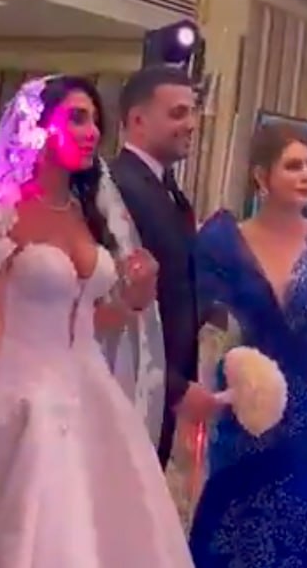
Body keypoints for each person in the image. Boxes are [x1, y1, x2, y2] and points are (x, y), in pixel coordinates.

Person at [0, 75, 193, 567]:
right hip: (21, 388)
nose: (91, 131)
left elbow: (93, 321)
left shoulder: (87, 212)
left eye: (95, 121)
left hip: (91, 388)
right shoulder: (5, 211)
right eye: (76, 118)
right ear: (37, 127)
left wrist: (133, 299)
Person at [188, 122, 307, 567]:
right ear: (261, 175)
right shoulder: (223, 241)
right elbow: (201, 320)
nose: (306, 175)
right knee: (234, 509)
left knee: (303, 512)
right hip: (247, 399)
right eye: (293, 166)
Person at [110, 65, 220, 465]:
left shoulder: (167, 189)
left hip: (158, 392)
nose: (191, 124)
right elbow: (116, 298)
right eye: (177, 113)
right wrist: (174, 387)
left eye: (192, 112)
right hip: (128, 386)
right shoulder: (117, 186)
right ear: (138, 120)